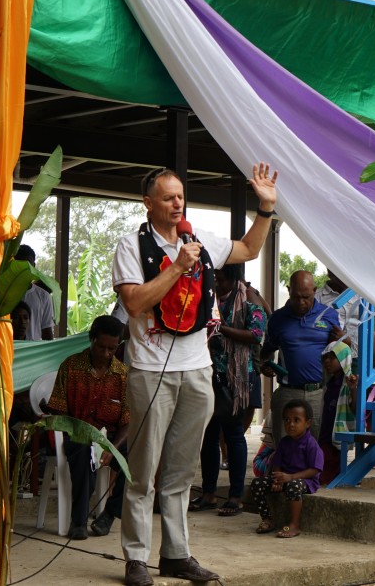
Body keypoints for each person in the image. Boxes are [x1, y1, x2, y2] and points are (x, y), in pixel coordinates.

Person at [112, 164, 277, 586]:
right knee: (144, 467)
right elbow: (134, 305)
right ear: (148, 204)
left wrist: (266, 209)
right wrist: (175, 268)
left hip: (197, 369)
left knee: (181, 471)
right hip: (150, 370)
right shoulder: (131, 246)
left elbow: (249, 250)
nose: (177, 203)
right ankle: (135, 557)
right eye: (167, 197)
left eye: (180, 196)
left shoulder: (199, 243)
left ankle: (176, 554)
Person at [45, 315, 129, 540]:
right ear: (91, 340)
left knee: (140, 455)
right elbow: (58, 411)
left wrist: (112, 448)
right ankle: (79, 520)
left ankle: (109, 513)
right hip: (78, 433)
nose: (105, 354)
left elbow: (127, 421)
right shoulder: (71, 367)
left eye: (112, 349)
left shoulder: (122, 375)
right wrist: (79, 432)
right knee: (85, 453)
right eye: (100, 347)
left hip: (110, 437)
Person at [192, 264, 267, 517]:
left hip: (238, 379)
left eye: (222, 280)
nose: (217, 284)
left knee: (234, 435)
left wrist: (221, 328)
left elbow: (257, 334)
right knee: (209, 436)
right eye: (214, 279)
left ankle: (236, 496)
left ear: (234, 279)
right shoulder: (208, 298)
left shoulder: (249, 297)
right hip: (209, 373)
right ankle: (208, 493)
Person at [260, 270, 343, 444]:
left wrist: (345, 341)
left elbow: (342, 352)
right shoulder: (277, 319)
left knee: (315, 452)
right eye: (296, 297)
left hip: (318, 394)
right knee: (283, 450)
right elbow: (266, 352)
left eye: (306, 297)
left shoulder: (329, 316)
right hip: (287, 393)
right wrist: (266, 365)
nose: (301, 302)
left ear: (315, 290)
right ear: (289, 290)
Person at [250, 399, 323, 539]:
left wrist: (291, 477)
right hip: (284, 479)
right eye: (287, 420)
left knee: (293, 486)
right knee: (257, 483)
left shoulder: (311, 444)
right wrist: (278, 480)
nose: (291, 424)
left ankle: (294, 525)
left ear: (307, 423)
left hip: (305, 481)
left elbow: (315, 469)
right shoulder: (284, 442)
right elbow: (277, 463)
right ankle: (267, 519)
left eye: (296, 420)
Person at [318, 340, 357, 485]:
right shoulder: (329, 383)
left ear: (343, 359)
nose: (327, 361)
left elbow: (355, 409)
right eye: (325, 358)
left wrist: (353, 389)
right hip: (324, 435)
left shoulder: (349, 382)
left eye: (332, 357)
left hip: (336, 438)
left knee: (326, 475)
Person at [15, 245, 55, 340]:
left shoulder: (44, 296)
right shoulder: (4, 294)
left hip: (35, 353)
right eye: (21, 264)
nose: (25, 268)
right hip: (9, 350)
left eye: (28, 264)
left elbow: (47, 332)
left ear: (34, 266)